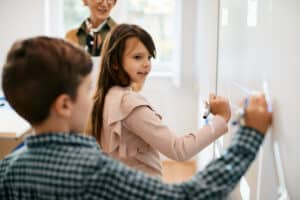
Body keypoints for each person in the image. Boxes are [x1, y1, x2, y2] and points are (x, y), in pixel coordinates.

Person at [0, 36, 271, 199]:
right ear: (64, 105)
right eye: (85, 89)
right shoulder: (93, 170)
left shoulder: (9, 168)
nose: (147, 64)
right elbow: (186, 181)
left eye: (150, 57)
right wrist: (248, 135)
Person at [87, 24, 232, 177]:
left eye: (149, 57)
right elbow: (179, 150)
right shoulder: (129, 105)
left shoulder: (106, 96)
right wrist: (221, 118)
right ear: (115, 63)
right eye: (137, 57)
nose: (146, 64)